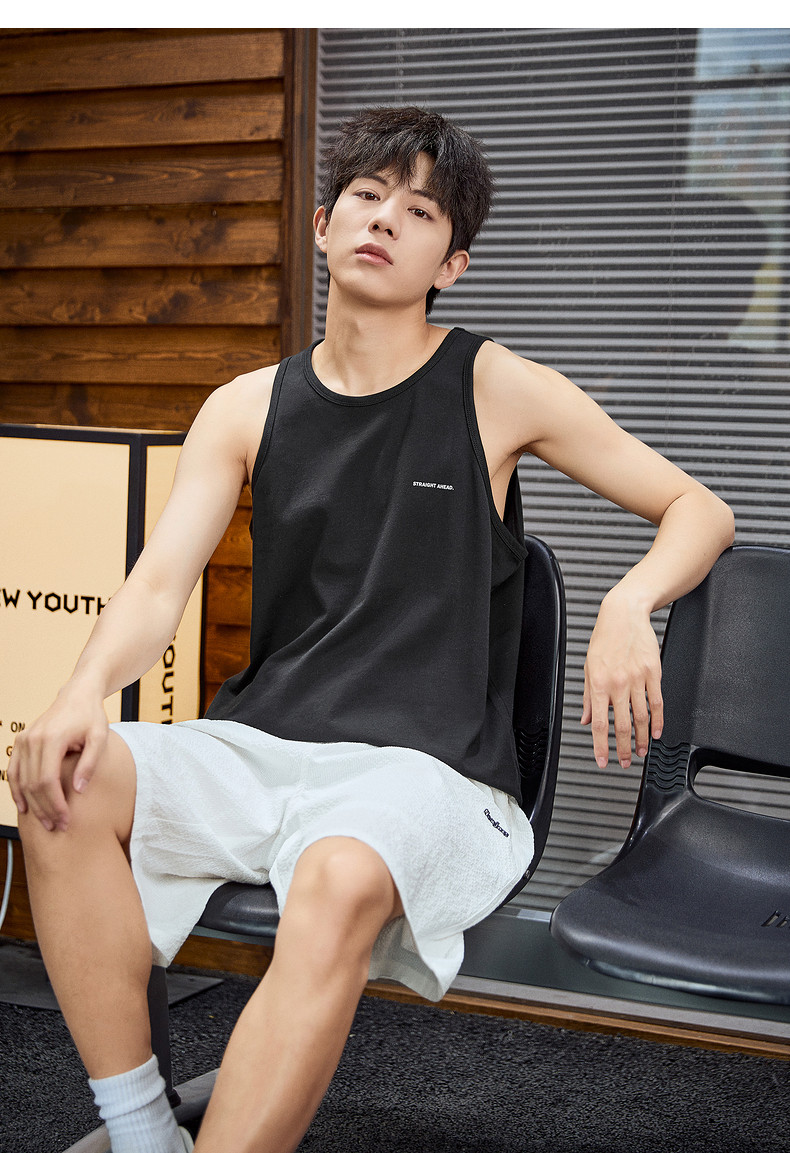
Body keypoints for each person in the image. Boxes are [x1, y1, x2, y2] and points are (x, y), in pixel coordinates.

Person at [8, 106, 734, 1153]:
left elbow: (696, 508)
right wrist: (79, 695)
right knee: (62, 781)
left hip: (431, 770)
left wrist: (629, 602)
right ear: (323, 225)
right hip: (263, 746)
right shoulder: (243, 406)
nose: (386, 218)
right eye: (366, 195)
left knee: (340, 870)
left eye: (421, 211)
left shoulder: (492, 384)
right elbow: (159, 584)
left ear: (454, 264)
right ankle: (142, 1132)